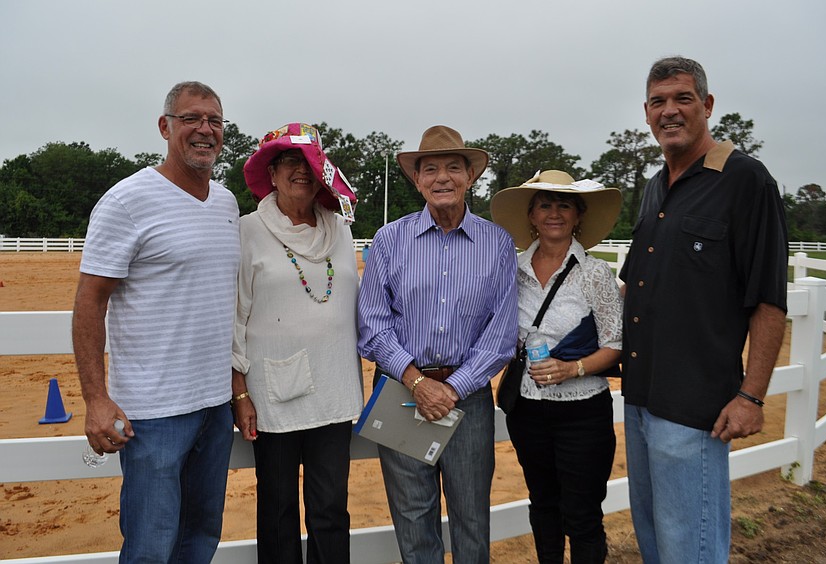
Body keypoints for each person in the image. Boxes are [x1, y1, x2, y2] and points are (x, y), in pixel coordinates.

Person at [620, 57, 789, 563]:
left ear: (708, 105)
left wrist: (752, 397)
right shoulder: (655, 188)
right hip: (640, 398)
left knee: (689, 545)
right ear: (646, 113)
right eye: (658, 102)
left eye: (682, 99)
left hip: (695, 409)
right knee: (653, 537)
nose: (669, 111)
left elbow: (767, 299)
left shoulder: (745, 181)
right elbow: (634, 288)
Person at [72, 81, 240, 562]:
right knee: (150, 544)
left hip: (214, 406)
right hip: (153, 413)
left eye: (214, 120)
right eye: (191, 118)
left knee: (200, 537)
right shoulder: (128, 201)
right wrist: (95, 398)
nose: (204, 129)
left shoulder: (226, 204)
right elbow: (90, 302)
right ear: (165, 126)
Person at [357, 125, 518, 563]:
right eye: (431, 168)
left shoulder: (498, 244)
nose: (441, 177)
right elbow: (371, 324)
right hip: (401, 393)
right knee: (413, 521)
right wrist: (416, 381)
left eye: (453, 167)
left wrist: (452, 388)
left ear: (470, 175)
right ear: (417, 178)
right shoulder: (389, 240)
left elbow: (501, 335)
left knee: (471, 520)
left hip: (468, 401)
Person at [231, 122, 362, 563]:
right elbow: (235, 317)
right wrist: (240, 392)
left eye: (308, 162)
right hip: (272, 394)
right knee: (278, 509)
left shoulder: (339, 230)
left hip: (335, 390)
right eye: (288, 161)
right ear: (270, 173)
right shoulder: (247, 231)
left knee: (330, 510)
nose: (300, 171)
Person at [490, 170, 623, 563]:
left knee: (582, 514)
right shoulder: (510, 270)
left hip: (583, 411)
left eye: (563, 204)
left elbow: (614, 343)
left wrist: (573, 369)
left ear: (577, 215)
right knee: (543, 503)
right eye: (544, 204)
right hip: (528, 409)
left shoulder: (595, 273)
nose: (554, 213)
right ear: (531, 216)